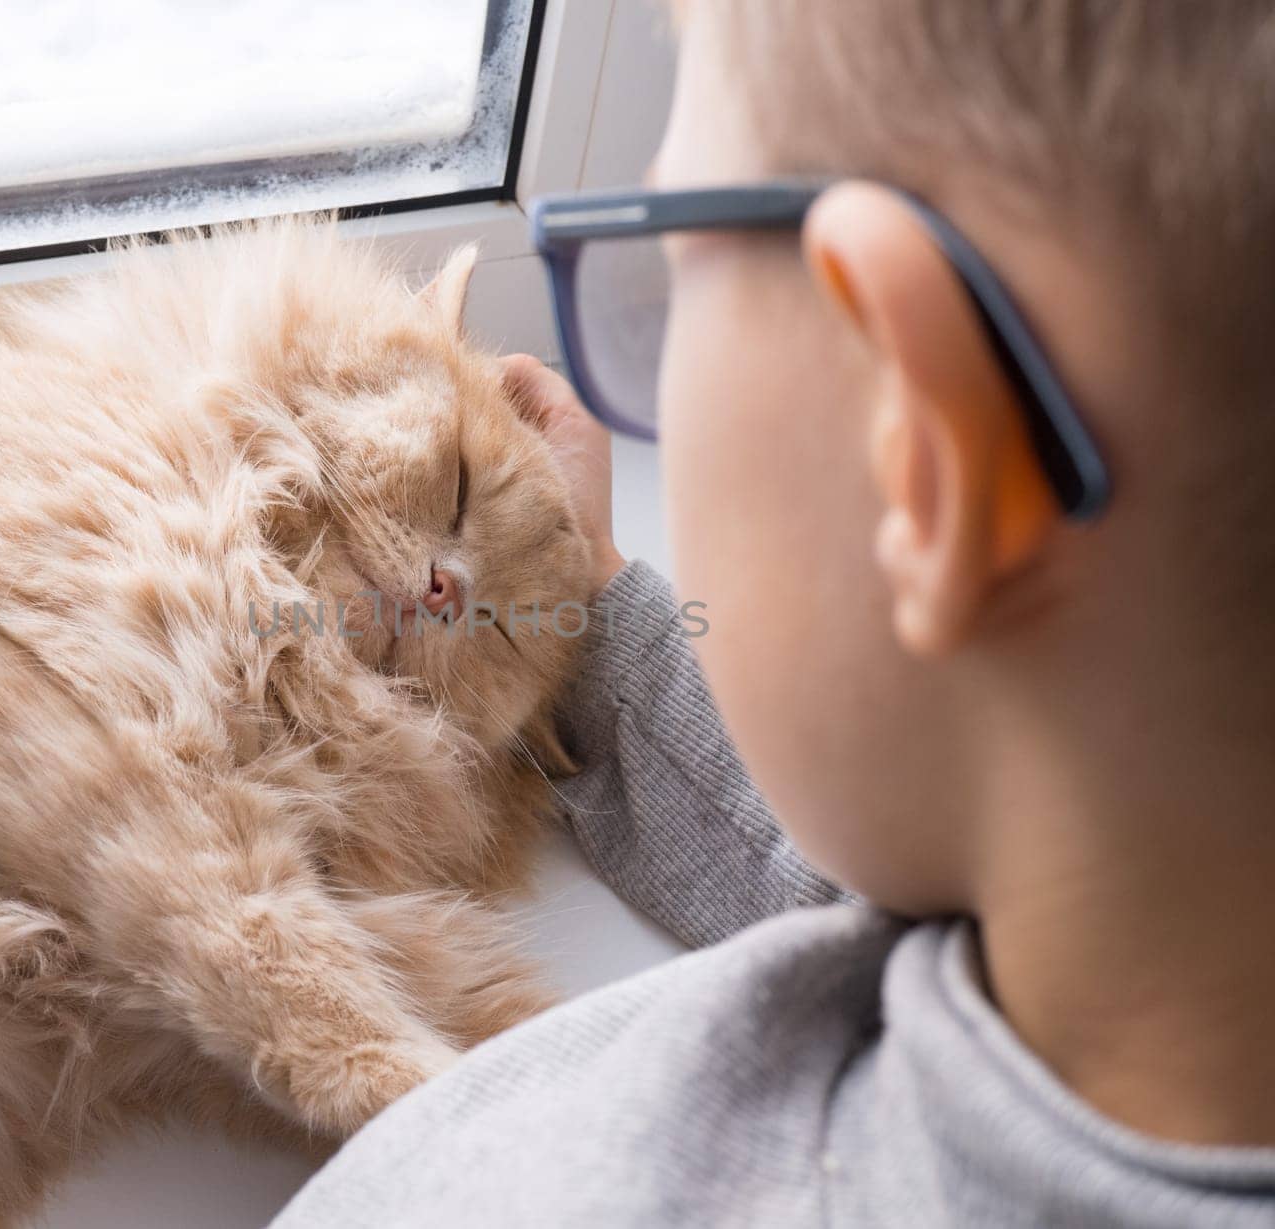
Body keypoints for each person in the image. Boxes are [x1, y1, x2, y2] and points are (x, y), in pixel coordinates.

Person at [273, 1, 1275, 1223]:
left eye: (669, 263)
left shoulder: (484, 1191)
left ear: (913, 447)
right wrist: (583, 598)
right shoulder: (1159, 942)